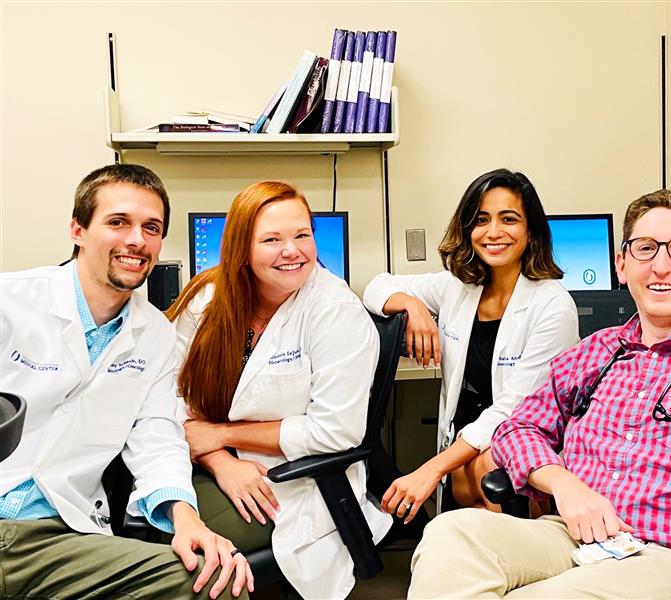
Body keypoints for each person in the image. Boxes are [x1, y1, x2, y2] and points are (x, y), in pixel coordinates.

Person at [407, 189, 671, 599]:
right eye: (645, 249)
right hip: (571, 536)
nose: (660, 267)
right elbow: (517, 428)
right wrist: (565, 486)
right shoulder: (593, 353)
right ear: (622, 265)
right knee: (450, 535)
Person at [0, 164, 252, 600]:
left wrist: (185, 516)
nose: (136, 240)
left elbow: (157, 436)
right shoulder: (12, 300)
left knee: (214, 582)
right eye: (118, 222)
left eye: (151, 228)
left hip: (57, 537)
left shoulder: (154, 334)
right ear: (78, 229)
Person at [166, 181, 391, 600]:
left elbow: (335, 433)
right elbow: (166, 391)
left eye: (302, 235)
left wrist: (221, 435)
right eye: (272, 239)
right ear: (241, 248)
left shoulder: (335, 312)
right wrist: (219, 460)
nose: (292, 251)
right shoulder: (209, 298)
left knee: (180, 555)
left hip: (292, 480)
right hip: (210, 465)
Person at [362, 168, 579, 523]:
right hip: (462, 445)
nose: (493, 232)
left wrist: (430, 470)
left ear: (531, 230)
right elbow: (376, 286)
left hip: (512, 444)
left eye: (508, 219)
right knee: (478, 504)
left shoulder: (552, 306)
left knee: (493, 474)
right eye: (481, 220)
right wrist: (413, 306)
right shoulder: (459, 287)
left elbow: (514, 409)